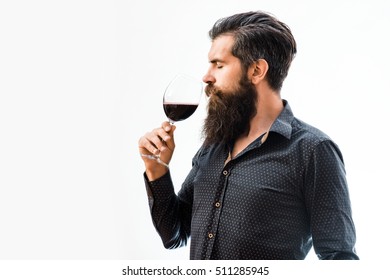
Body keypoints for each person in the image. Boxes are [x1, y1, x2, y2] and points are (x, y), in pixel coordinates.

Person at [138, 11, 359, 260]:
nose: (206, 76)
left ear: (256, 71)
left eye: (219, 65)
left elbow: (340, 258)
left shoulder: (313, 150)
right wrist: (157, 170)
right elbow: (174, 235)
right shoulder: (214, 145)